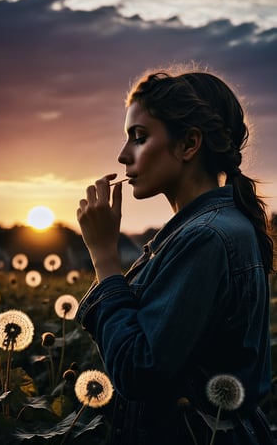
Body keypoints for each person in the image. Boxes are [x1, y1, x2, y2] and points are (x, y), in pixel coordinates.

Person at [75, 66, 275, 445]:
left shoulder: (207, 238)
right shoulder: (215, 230)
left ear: (188, 145)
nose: (122, 156)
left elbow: (138, 371)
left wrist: (103, 254)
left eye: (139, 137)